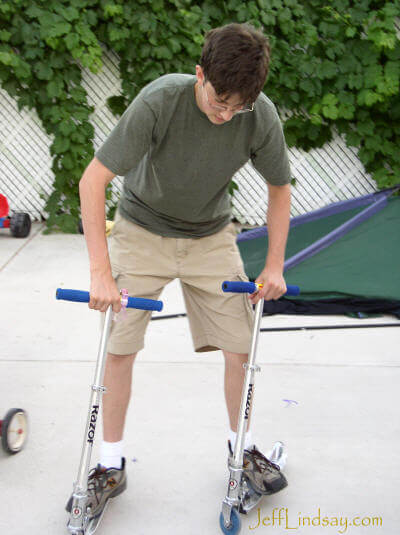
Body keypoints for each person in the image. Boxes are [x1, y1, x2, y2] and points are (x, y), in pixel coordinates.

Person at [71, 22, 292, 520]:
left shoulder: (259, 115)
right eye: (219, 100)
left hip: (211, 237)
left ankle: (244, 449)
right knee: (120, 345)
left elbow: (280, 188)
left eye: (239, 106)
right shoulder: (160, 101)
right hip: (141, 228)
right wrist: (100, 273)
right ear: (199, 74)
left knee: (242, 343)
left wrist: (274, 264)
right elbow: (92, 181)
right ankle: (109, 464)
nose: (226, 114)